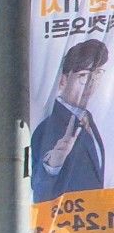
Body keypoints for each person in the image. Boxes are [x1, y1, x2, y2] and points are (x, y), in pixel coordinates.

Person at [32, 39, 109, 204]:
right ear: (63, 81)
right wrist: (52, 165)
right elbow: (38, 191)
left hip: (94, 216)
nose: (91, 82)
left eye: (97, 74)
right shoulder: (49, 127)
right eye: (83, 76)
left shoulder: (88, 119)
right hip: (65, 218)